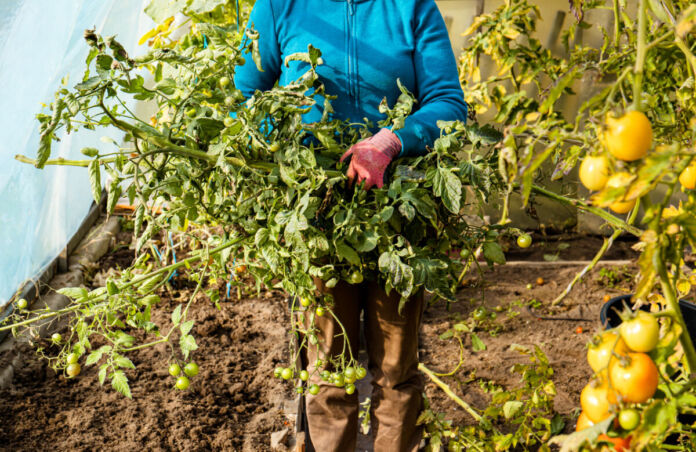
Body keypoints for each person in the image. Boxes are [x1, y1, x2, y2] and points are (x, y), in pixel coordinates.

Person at [234, 1, 467, 450]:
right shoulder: (278, 6)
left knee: (396, 371)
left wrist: (390, 141)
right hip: (317, 220)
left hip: (399, 219)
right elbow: (246, 97)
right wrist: (296, 145)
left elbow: (448, 102)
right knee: (327, 371)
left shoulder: (411, 7)